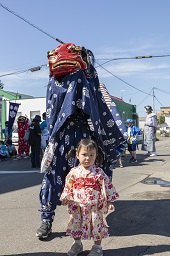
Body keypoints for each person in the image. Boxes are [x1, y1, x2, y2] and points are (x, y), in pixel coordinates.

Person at [36, 43, 124, 239]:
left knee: (88, 180)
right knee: (52, 178)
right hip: (61, 136)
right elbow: (52, 112)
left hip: (84, 138)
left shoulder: (89, 79)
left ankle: (88, 222)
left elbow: (100, 107)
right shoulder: (55, 80)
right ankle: (46, 219)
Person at [60, 138, 119, 256]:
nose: (88, 158)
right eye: (84, 154)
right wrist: (66, 197)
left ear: (96, 155)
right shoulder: (74, 172)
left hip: (94, 207)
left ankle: (97, 247)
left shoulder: (98, 172)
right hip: (77, 206)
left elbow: (107, 186)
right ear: (77, 155)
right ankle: (77, 244)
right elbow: (68, 186)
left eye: (92, 155)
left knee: (96, 226)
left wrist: (109, 201)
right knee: (77, 225)